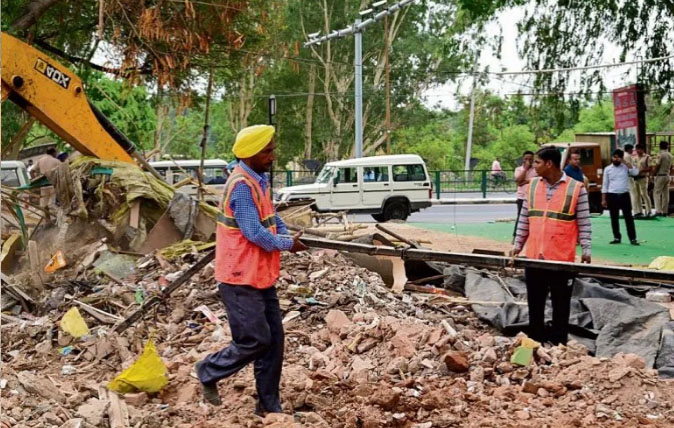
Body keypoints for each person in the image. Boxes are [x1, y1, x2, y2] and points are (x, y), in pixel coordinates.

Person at [195, 125, 307, 415]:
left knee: (274, 343)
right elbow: (254, 232)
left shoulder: (259, 180)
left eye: (272, 149)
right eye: (267, 151)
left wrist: (287, 234)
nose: (272, 155)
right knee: (255, 340)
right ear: (251, 154)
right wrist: (286, 244)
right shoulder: (242, 186)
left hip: (258, 274)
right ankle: (208, 369)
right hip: (239, 277)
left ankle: (268, 406)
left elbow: (271, 217)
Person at [511, 147, 591, 345]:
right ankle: (535, 345)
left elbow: (584, 222)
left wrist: (586, 250)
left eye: (537, 162)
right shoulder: (532, 187)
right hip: (535, 258)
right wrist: (517, 245)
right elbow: (524, 219)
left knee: (561, 306)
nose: (534, 166)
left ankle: (558, 347)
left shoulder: (576, 188)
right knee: (535, 306)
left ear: (549, 164)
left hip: (561, 259)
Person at [602, 149, 640, 245]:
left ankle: (632, 238)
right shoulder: (608, 169)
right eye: (614, 157)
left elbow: (635, 173)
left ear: (621, 158)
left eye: (618, 157)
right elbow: (605, 184)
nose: (616, 159)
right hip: (612, 195)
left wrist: (627, 163)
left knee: (628, 218)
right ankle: (617, 237)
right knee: (614, 218)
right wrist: (603, 199)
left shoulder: (625, 167)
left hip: (624, 194)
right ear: (612, 157)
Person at [513, 150, 537, 242]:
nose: (528, 161)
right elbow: (519, 181)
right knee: (520, 217)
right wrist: (525, 169)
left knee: (532, 218)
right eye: (526, 159)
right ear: (523, 159)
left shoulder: (536, 169)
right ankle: (515, 236)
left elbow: (537, 180)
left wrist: (526, 181)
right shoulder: (518, 169)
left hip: (533, 197)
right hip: (522, 197)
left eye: (530, 159)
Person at [652, 141, 672, 216]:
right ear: (667, 146)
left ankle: (658, 211)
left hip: (660, 175)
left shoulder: (660, 155)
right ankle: (665, 211)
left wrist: (652, 174)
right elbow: (671, 166)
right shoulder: (670, 155)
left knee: (656, 193)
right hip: (667, 175)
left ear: (660, 146)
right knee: (666, 194)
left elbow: (657, 165)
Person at [633, 144, 652, 218]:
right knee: (637, 195)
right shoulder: (635, 158)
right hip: (636, 178)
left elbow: (650, 168)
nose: (638, 151)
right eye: (637, 149)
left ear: (643, 149)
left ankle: (649, 210)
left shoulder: (647, 157)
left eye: (639, 149)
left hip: (643, 178)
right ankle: (639, 211)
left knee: (644, 194)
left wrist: (641, 170)